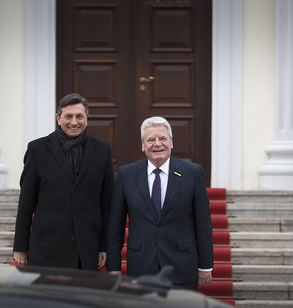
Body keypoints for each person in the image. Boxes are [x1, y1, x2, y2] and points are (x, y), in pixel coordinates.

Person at [106, 116, 213, 290]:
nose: (157, 143)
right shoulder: (127, 174)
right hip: (140, 267)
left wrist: (205, 265)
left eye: (162, 138)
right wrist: (113, 267)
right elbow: (115, 226)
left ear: (171, 143)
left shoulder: (192, 173)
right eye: (151, 140)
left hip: (182, 266)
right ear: (143, 145)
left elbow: (203, 223)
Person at [13, 93, 115, 271]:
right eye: (68, 116)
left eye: (79, 116)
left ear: (87, 119)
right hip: (47, 249)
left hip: (86, 250)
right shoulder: (37, 149)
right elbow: (26, 201)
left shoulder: (102, 150)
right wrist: (20, 246)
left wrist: (103, 246)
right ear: (58, 118)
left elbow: (107, 204)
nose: (74, 122)